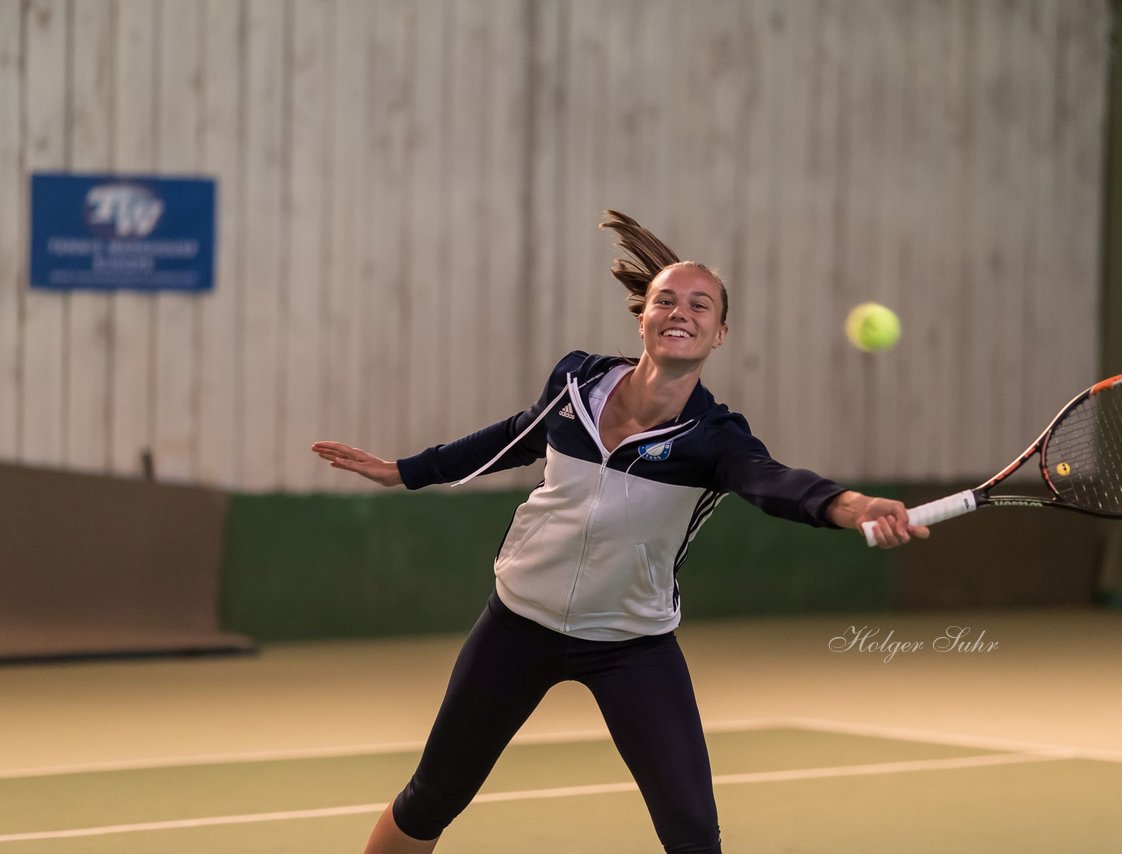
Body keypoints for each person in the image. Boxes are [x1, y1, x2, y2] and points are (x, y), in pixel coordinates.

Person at [312, 210, 929, 854]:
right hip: (518, 623)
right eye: (666, 300)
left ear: (720, 333)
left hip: (632, 644)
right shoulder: (576, 384)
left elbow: (772, 483)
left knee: (693, 834)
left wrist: (848, 505)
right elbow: (512, 437)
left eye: (700, 305)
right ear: (644, 319)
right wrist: (404, 471)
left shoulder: (714, 439)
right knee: (430, 799)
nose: (680, 312)